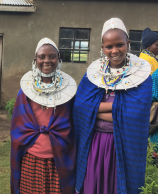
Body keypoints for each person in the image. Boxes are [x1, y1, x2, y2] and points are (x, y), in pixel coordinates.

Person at [74, 18, 152, 194]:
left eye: (119, 45)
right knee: (92, 186)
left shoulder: (142, 76)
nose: (114, 51)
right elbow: (80, 107)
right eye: (109, 47)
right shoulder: (93, 75)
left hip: (122, 146)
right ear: (102, 48)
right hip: (94, 144)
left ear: (128, 43)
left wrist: (94, 110)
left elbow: (136, 115)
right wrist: (120, 108)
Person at [11, 38, 77, 194]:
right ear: (36, 60)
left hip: (58, 159)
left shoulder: (68, 93)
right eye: (42, 56)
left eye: (52, 56)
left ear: (58, 59)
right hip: (31, 158)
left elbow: (73, 125)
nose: (47, 60)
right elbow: (18, 128)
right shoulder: (25, 92)